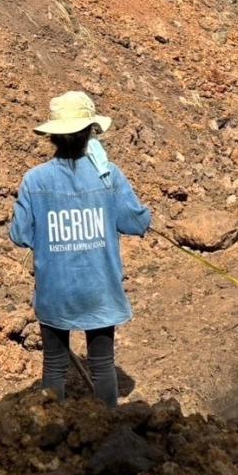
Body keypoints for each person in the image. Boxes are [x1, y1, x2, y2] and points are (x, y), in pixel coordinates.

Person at [10, 91, 151, 408]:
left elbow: (20, 234)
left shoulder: (34, 180)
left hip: (55, 291)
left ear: (53, 137)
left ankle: (53, 431)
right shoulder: (108, 175)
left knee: (54, 366)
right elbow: (135, 222)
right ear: (91, 132)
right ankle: (109, 427)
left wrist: (51, 241)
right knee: (102, 365)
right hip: (99, 288)